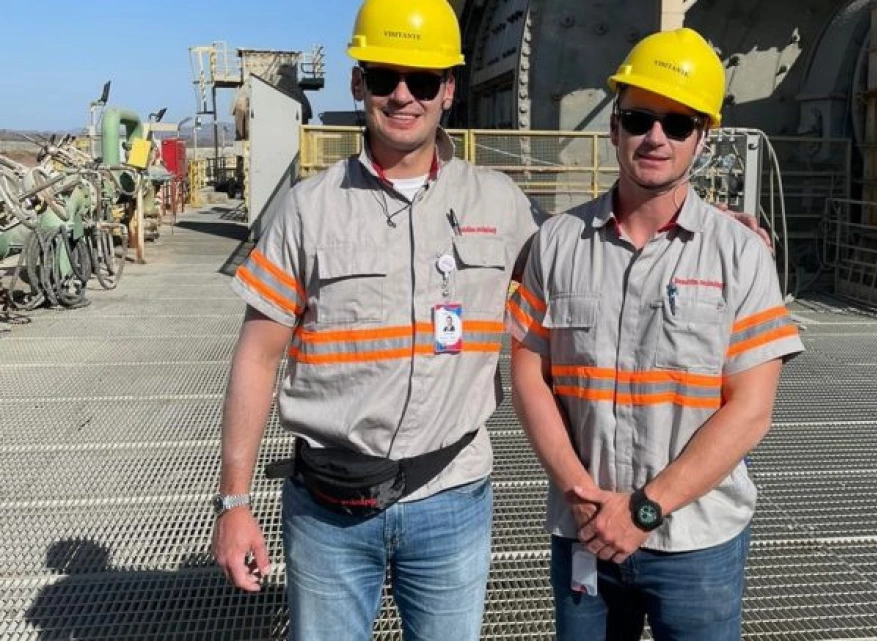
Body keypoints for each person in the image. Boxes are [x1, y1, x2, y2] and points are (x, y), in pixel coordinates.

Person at [210, 1, 542, 639]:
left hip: (452, 499)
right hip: (329, 510)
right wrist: (234, 503)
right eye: (386, 76)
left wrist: (711, 228)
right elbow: (256, 357)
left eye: (422, 81)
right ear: (358, 82)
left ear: (448, 89)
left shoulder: (498, 204)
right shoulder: (309, 211)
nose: (403, 96)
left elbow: (582, 263)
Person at [507, 27, 804, 641]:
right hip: (583, 530)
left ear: (703, 138)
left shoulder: (739, 255)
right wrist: (579, 492)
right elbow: (528, 373)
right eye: (640, 118)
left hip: (695, 543)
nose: (656, 138)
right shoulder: (558, 243)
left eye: (678, 123)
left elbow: (751, 410)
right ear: (614, 126)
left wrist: (644, 509)